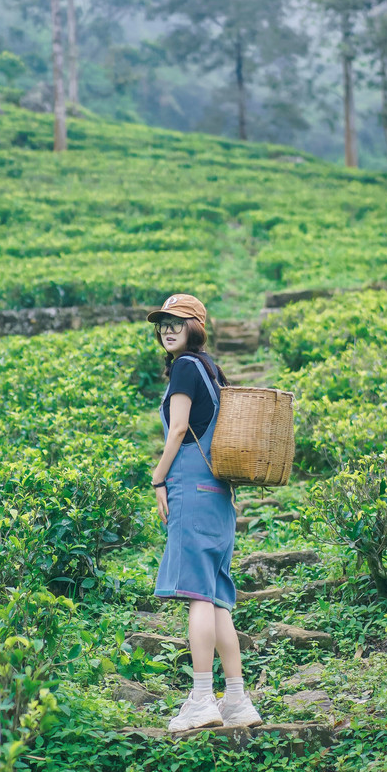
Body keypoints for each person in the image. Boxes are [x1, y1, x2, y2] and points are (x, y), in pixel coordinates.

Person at [147, 293, 262, 732]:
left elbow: (178, 429)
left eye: (178, 322)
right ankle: (236, 699)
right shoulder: (212, 369)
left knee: (197, 594)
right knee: (216, 600)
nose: (168, 329)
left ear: (195, 326)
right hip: (218, 492)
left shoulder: (184, 369)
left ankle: (200, 698)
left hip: (191, 488)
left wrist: (159, 478)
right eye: (163, 324)